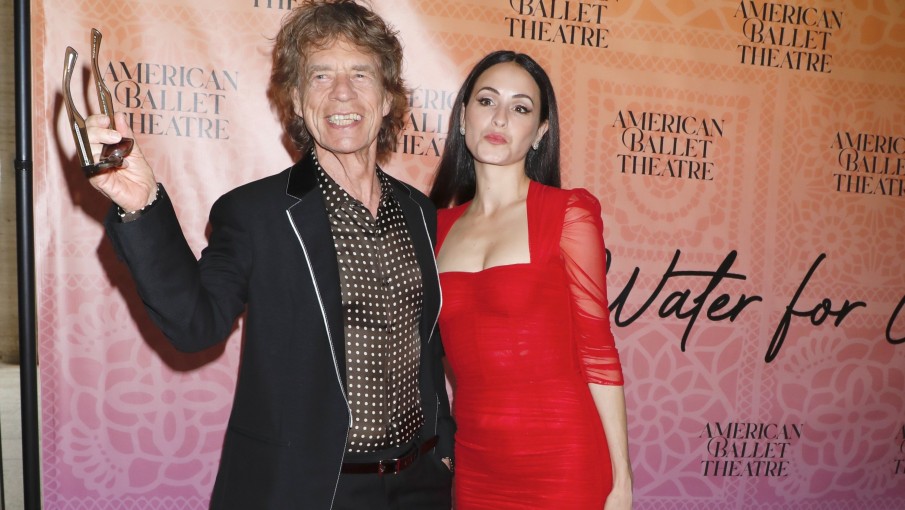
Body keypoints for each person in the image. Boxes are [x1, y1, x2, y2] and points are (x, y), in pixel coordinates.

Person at [83, 1, 454, 508]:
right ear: (297, 100)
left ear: (388, 97)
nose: (342, 92)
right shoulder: (255, 213)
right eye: (320, 75)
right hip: (310, 490)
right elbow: (195, 325)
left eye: (360, 73)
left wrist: (444, 450)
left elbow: (427, 349)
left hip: (420, 487)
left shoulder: (419, 211)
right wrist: (142, 203)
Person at [429, 51, 633, 509]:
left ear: (540, 132)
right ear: (462, 117)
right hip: (476, 464)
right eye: (486, 101)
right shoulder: (434, 229)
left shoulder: (566, 214)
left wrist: (622, 480)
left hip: (565, 460)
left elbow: (598, 352)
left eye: (520, 108)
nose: (500, 118)